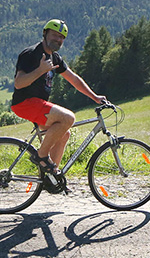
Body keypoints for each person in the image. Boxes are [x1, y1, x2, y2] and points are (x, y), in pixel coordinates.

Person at [11, 19, 106, 178]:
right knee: (68, 118)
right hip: (25, 103)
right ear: (45, 33)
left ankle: (51, 177)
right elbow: (19, 83)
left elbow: (74, 79)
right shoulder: (31, 53)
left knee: (64, 134)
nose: (59, 39)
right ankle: (41, 156)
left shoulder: (55, 58)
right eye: (55, 35)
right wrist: (40, 70)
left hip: (38, 104)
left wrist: (95, 97)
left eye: (62, 37)